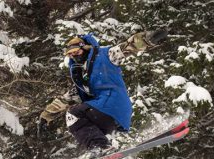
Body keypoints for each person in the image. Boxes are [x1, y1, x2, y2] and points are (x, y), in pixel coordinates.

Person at [38, 29, 168, 152]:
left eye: (76, 52)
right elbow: (65, 99)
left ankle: (99, 147)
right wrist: (45, 117)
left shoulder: (105, 55)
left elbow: (127, 46)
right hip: (109, 113)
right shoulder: (82, 78)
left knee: (73, 114)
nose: (74, 56)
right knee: (80, 124)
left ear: (85, 48)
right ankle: (101, 148)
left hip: (112, 103)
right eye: (71, 55)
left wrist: (148, 38)